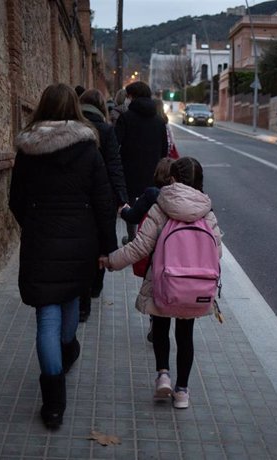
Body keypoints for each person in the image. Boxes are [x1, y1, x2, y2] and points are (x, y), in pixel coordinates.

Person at [9, 83, 117, 429]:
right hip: (80, 241)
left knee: (46, 319)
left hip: (41, 242)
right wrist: (106, 247)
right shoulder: (88, 148)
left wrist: (35, 223)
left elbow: (16, 200)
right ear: (73, 108)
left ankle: (54, 405)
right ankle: (68, 347)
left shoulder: (28, 150)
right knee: (70, 302)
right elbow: (103, 201)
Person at [100, 157, 222, 409]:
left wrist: (111, 261)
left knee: (161, 328)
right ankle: (182, 392)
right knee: (185, 336)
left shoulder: (160, 207)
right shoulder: (207, 213)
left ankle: (163, 375)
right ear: (200, 184)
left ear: (172, 180)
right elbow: (216, 253)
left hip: (163, 282)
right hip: (195, 287)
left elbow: (139, 247)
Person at [78, 88, 128, 322]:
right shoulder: (106, 130)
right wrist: (121, 198)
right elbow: (114, 165)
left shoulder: (73, 126)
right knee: (100, 241)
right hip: (103, 194)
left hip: (78, 195)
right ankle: (95, 285)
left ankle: (82, 297)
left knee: (81, 242)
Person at [119, 156, 175, 343]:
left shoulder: (152, 194)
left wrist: (123, 210)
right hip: (176, 253)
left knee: (154, 289)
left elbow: (133, 217)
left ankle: (155, 322)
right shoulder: (182, 197)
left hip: (153, 254)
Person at [115, 82, 168, 243]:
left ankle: (132, 238)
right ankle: (147, 239)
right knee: (151, 204)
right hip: (152, 170)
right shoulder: (159, 121)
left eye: (128, 96)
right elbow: (164, 150)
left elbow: (115, 143)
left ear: (132, 97)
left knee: (130, 205)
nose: (127, 100)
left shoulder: (126, 118)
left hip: (129, 169)